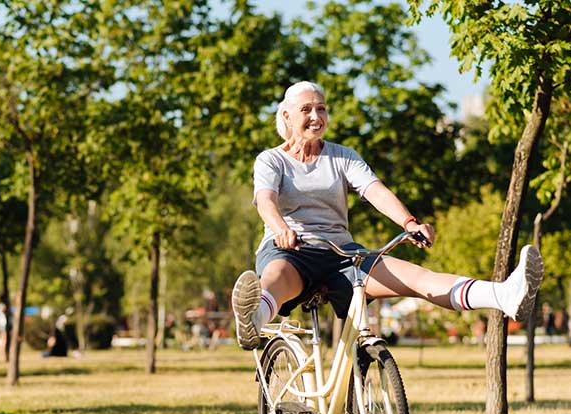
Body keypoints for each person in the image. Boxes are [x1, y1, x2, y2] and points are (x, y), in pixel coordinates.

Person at [231, 81, 544, 350]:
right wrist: (281, 228)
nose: (316, 116)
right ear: (286, 115)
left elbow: (375, 191)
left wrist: (409, 223)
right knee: (274, 279)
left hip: (342, 253)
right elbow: (265, 201)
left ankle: (503, 294)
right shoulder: (271, 160)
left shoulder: (342, 155)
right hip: (292, 249)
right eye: (307, 110)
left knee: (419, 278)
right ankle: (252, 319)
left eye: (322, 109)